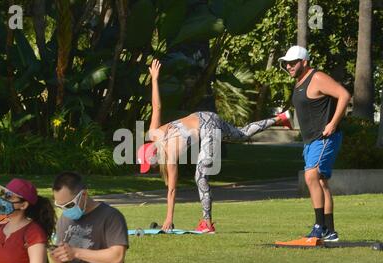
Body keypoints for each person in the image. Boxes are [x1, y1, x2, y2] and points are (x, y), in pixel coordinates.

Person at [137, 59, 293, 234]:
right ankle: (281, 118)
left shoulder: (169, 154)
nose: (152, 168)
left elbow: (172, 190)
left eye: (150, 164)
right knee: (241, 135)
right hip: (205, 116)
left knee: (200, 175)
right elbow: (156, 106)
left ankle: (207, 223)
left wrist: (168, 219)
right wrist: (155, 80)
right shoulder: (153, 133)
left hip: (206, 127)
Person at [279, 45, 351, 242]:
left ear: (304, 62)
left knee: (312, 176)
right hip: (310, 140)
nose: (289, 66)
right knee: (320, 182)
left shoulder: (317, 77)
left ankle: (319, 226)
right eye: (286, 63)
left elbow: (344, 95)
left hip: (325, 137)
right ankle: (330, 231)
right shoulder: (299, 81)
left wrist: (333, 124)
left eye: (293, 63)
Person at [49, 171, 129, 263]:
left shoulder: (111, 216)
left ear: (84, 195)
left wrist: (75, 252)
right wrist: (55, 255)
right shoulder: (64, 219)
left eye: (69, 205)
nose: (65, 210)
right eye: (60, 206)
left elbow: (117, 257)